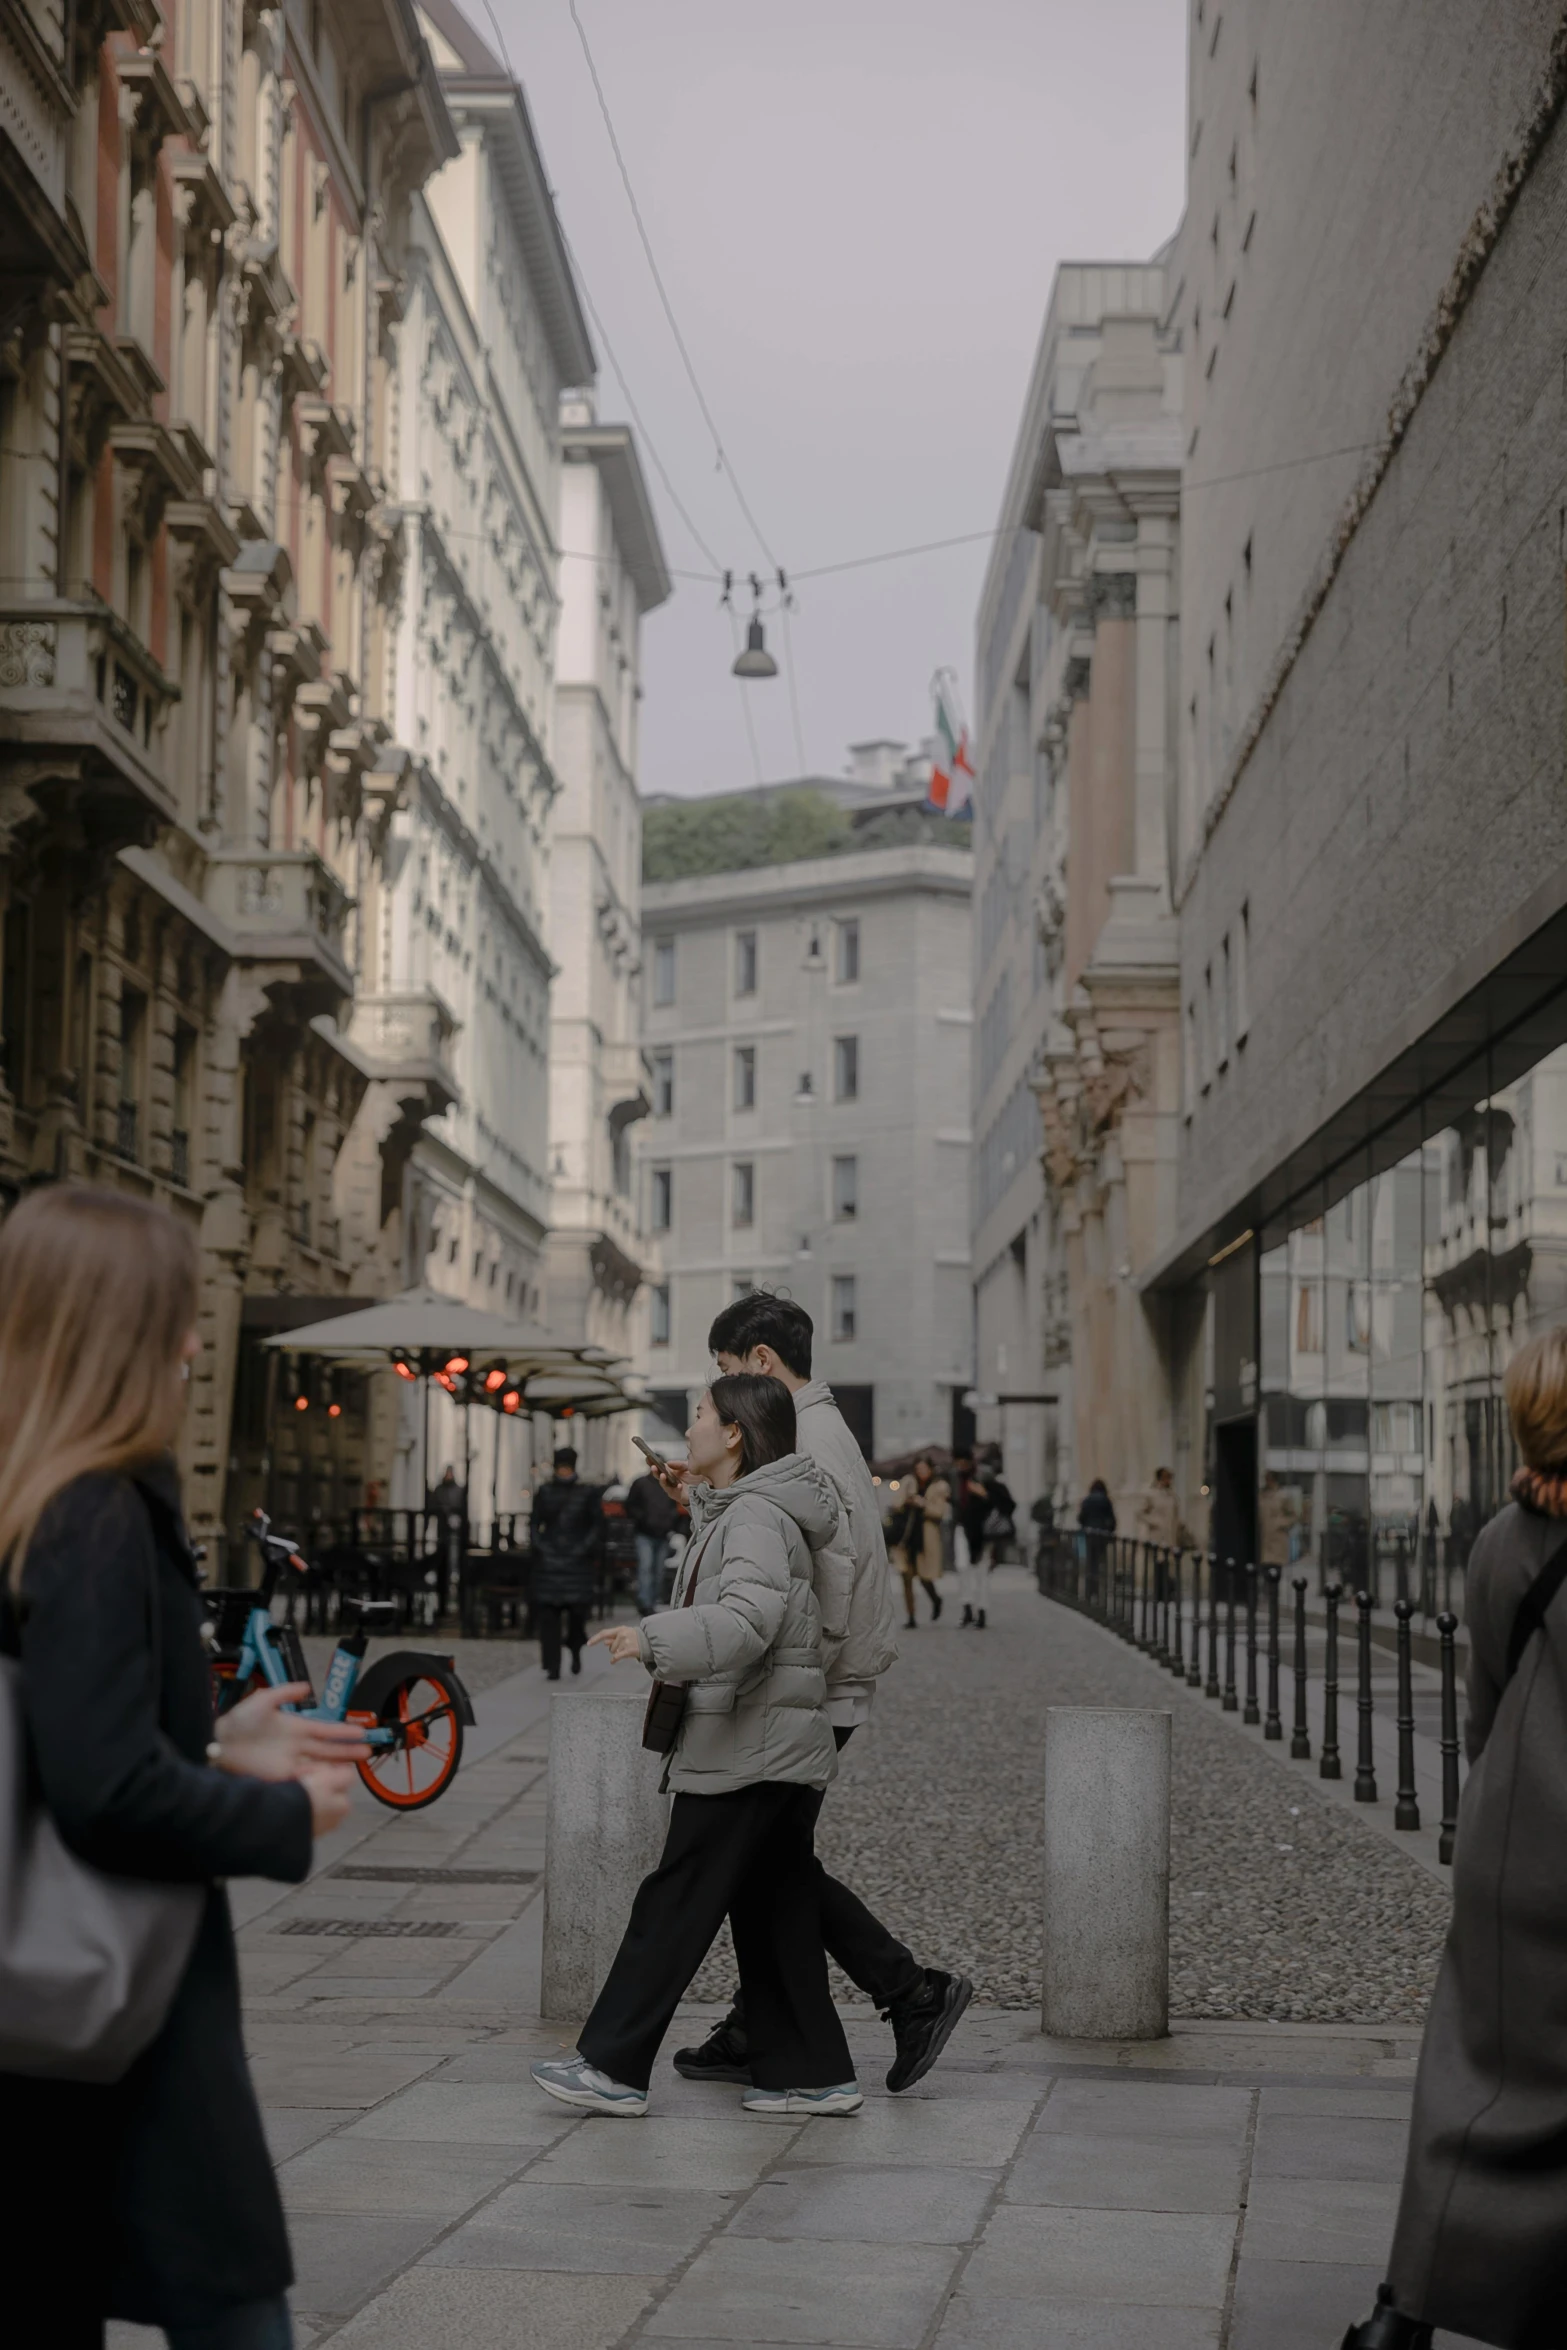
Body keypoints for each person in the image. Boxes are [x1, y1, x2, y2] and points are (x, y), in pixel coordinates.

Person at [0, 1185, 366, 2350]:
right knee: (235, 2307)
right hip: (119, 1996)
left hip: (65, 2013)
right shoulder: (95, 1516)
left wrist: (218, 1740)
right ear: (115, 1329)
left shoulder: (40, 1499)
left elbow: (56, 1732)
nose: (197, 1343)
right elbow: (105, 1790)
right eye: (176, 1315)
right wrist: (281, 1813)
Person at [530, 1374, 861, 2118]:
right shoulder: (753, 1510)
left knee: (674, 1899)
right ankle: (810, 2072)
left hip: (748, 1738)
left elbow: (747, 1619)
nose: (690, 1429)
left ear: (736, 1432)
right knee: (772, 1906)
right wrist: (699, 1495)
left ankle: (612, 2065)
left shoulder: (754, 1520)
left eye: (702, 1416)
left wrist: (650, 1638)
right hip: (765, 1735)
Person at [677, 1295, 973, 2095]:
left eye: (728, 1373)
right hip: (816, 1685)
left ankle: (910, 1992)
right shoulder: (808, 1431)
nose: (722, 1393)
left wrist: (801, 1684)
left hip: (812, 1689)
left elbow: (825, 1575)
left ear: (762, 1362)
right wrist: (700, 1495)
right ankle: (767, 2021)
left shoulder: (804, 1436)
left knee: (763, 1861)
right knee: (766, 1862)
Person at [1343, 1323, 1567, 2350]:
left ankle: (1404, 2312)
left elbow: (1481, 1716)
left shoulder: (1492, 1544)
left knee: (1471, 2078)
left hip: (1512, 1845)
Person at [528, 1446, 603, 1679]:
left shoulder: (586, 1493)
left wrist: (582, 1549)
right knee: (549, 1617)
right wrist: (543, 1547)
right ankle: (552, 1663)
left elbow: (596, 1525)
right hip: (552, 1564)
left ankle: (574, 1648)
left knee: (576, 1616)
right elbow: (534, 1524)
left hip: (575, 1564)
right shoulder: (546, 1492)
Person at [890, 1455, 948, 1626]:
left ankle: (936, 1599)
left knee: (925, 1577)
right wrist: (908, 1500)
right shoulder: (908, 1482)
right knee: (906, 1577)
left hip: (925, 1537)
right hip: (906, 1537)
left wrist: (923, 1504)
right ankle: (911, 1616)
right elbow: (895, 1503)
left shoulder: (939, 1486)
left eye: (924, 1469)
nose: (921, 1472)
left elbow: (939, 1512)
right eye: (918, 1469)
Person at [626, 1452, 681, 1615]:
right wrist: (642, 1519)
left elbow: (673, 1506)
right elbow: (630, 1506)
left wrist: (669, 1522)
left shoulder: (666, 1483)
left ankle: (651, 1600)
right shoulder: (641, 1483)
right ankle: (645, 1602)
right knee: (646, 1567)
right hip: (645, 1533)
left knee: (657, 1570)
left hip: (661, 1533)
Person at [1078, 1476, 1116, 1603]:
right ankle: (1102, 1591)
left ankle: (1090, 1591)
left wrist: (1085, 1526)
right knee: (1101, 1562)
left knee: (1091, 1562)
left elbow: (1081, 1518)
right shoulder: (1106, 1500)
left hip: (1090, 1534)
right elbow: (1112, 1519)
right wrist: (1110, 1531)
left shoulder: (1087, 1500)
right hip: (1102, 1534)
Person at [1257, 1469, 1299, 1568]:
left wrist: (1280, 1523)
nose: (1267, 1482)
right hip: (1263, 1539)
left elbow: (1293, 1516)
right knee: (1263, 1570)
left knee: (1274, 1571)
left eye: (1269, 1479)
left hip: (1276, 1540)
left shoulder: (1283, 1496)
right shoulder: (1261, 1495)